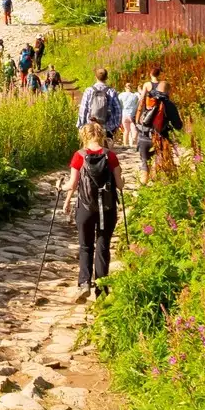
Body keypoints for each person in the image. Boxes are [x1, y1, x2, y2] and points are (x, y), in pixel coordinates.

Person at [64, 123, 124, 301]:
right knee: (103, 247)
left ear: (84, 136)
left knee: (85, 246)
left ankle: (84, 284)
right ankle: (102, 290)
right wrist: (123, 180)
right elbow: (120, 185)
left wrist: (64, 195)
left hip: (85, 207)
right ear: (101, 135)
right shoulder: (111, 156)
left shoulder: (79, 156)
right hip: (107, 208)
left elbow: (73, 184)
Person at [77, 66, 123, 138]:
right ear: (107, 77)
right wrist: (116, 125)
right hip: (107, 128)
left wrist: (81, 125)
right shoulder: (111, 91)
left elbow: (83, 109)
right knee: (106, 148)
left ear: (96, 77)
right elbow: (118, 110)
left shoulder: (89, 90)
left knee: (91, 148)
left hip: (91, 127)